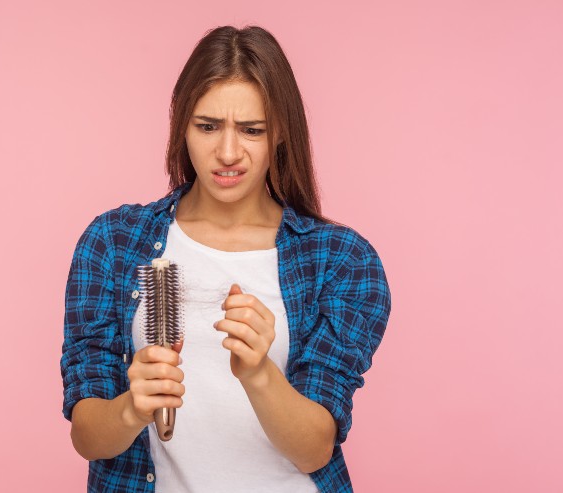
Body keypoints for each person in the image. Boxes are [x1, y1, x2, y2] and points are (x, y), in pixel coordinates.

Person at [60, 25, 392, 493]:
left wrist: (258, 374)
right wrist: (131, 408)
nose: (228, 152)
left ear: (279, 132)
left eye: (251, 130)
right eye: (208, 126)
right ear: (181, 125)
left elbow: (315, 448)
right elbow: (87, 436)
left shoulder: (341, 260)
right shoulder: (113, 242)